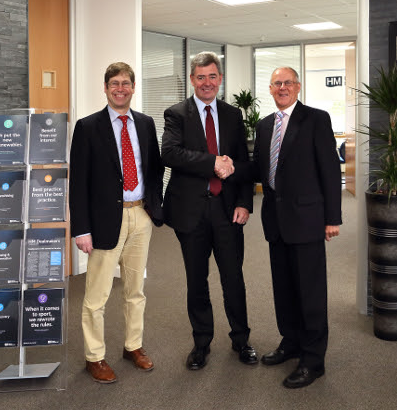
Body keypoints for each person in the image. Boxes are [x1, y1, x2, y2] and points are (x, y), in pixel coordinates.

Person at [245, 67, 342, 388]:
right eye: (277, 83)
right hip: (275, 220)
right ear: (270, 89)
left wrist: (333, 217)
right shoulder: (264, 125)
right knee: (284, 287)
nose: (282, 87)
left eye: (288, 83)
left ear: (298, 87)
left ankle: (314, 360)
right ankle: (291, 342)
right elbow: (259, 168)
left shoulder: (316, 119)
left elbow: (329, 169)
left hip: (308, 219)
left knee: (310, 291)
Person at [161, 51, 257, 370]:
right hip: (191, 212)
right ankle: (201, 343)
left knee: (233, 278)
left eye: (212, 76)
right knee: (196, 280)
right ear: (191, 80)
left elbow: (243, 163)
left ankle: (241, 340)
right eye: (200, 77)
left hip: (228, 210)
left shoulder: (232, 115)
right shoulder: (177, 114)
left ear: (220, 79)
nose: (206, 83)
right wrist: (211, 163)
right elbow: (170, 154)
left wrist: (245, 202)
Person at [69, 62, 164, 384]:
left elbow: (153, 170)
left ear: (133, 88)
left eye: (126, 83)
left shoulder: (146, 124)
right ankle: (94, 356)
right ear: (106, 88)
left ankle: (132, 346)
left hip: (140, 216)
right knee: (96, 296)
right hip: (103, 220)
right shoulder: (88, 127)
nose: (120, 88)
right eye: (114, 83)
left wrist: (154, 207)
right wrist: (82, 229)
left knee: (135, 291)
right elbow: (78, 182)